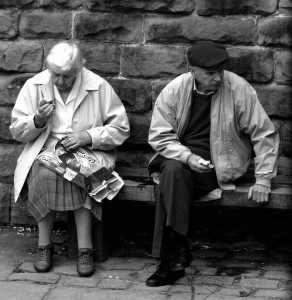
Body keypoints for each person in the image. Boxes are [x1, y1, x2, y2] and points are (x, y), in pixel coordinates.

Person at [146, 40, 279, 286]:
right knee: (173, 171)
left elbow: (264, 134)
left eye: (220, 71)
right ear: (192, 70)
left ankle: (170, 261)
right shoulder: (175, 90)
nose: (217, 77)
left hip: (219, 165)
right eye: (210, 73)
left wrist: (263, 179)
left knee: (170, 181)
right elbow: (160, 136)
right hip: (180, 157)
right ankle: (178, 252)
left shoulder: (238, 88)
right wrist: (188, 157)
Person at [10, 41, 130, 277]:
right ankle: (44, 246)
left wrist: (88, 136)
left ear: (80, 69)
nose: (61, 82)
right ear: (48, 69)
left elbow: (120, 128)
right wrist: (37, 121)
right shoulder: (34, 85)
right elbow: (16, 130)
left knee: (81, 172)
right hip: (45, 151)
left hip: (89, 152)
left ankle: (85, 249)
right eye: (56, 75)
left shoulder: (98, 85)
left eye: (68, 76)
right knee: (44, 174)